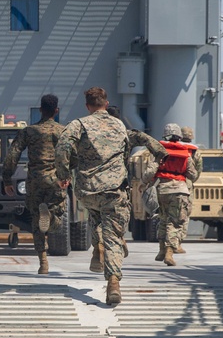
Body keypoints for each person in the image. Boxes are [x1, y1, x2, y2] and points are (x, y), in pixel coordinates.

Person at [54, 87, 130, 305]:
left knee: (96, 218)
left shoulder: (79, 124)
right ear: (106, 104)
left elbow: (62, 148)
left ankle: (98, 247)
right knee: (114, 236)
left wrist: (63, 174)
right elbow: (126, 154)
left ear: (87, 106)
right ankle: (113, 282)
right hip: (114, 190)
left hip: (87, 190)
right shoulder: (119, 124)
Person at [2, 94, 66, 275]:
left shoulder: (29, 131)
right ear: (56, 111)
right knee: (57, 216)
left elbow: (12, 155)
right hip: (55, 178)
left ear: (40, 110)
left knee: (37, 221)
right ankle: (51, 217)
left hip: (35, 179)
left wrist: (7, 179)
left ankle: (43, 262)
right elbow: (73, 156)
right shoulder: (63, 131)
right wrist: (67, 175)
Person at [100, 105, 166, 261]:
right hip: (118, 184)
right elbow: (153, 144)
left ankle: (99, 247)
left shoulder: (94, 134)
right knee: (119, 215)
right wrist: (160, 155)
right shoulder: (127, 135)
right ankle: (118, 238)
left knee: (97, 217)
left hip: (97, 184)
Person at [140, 123, 200, 266]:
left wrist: (146, 182)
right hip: (180, 191)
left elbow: (148, 174)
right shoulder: (186, 152)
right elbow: (193, 175)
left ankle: (161, 250)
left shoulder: (159, 152)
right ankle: (169, 252)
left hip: (162, 190)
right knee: (175, 223)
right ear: (179, 136)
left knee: (163, 220)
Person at [174, 126, 203, 253]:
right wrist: (190, 181)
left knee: (168, 214)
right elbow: (198, 170)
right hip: (186, 185)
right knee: (184, 215)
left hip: (170, 183)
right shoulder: (195, 152)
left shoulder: (171, 148)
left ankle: (166, 244)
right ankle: (178, 243)